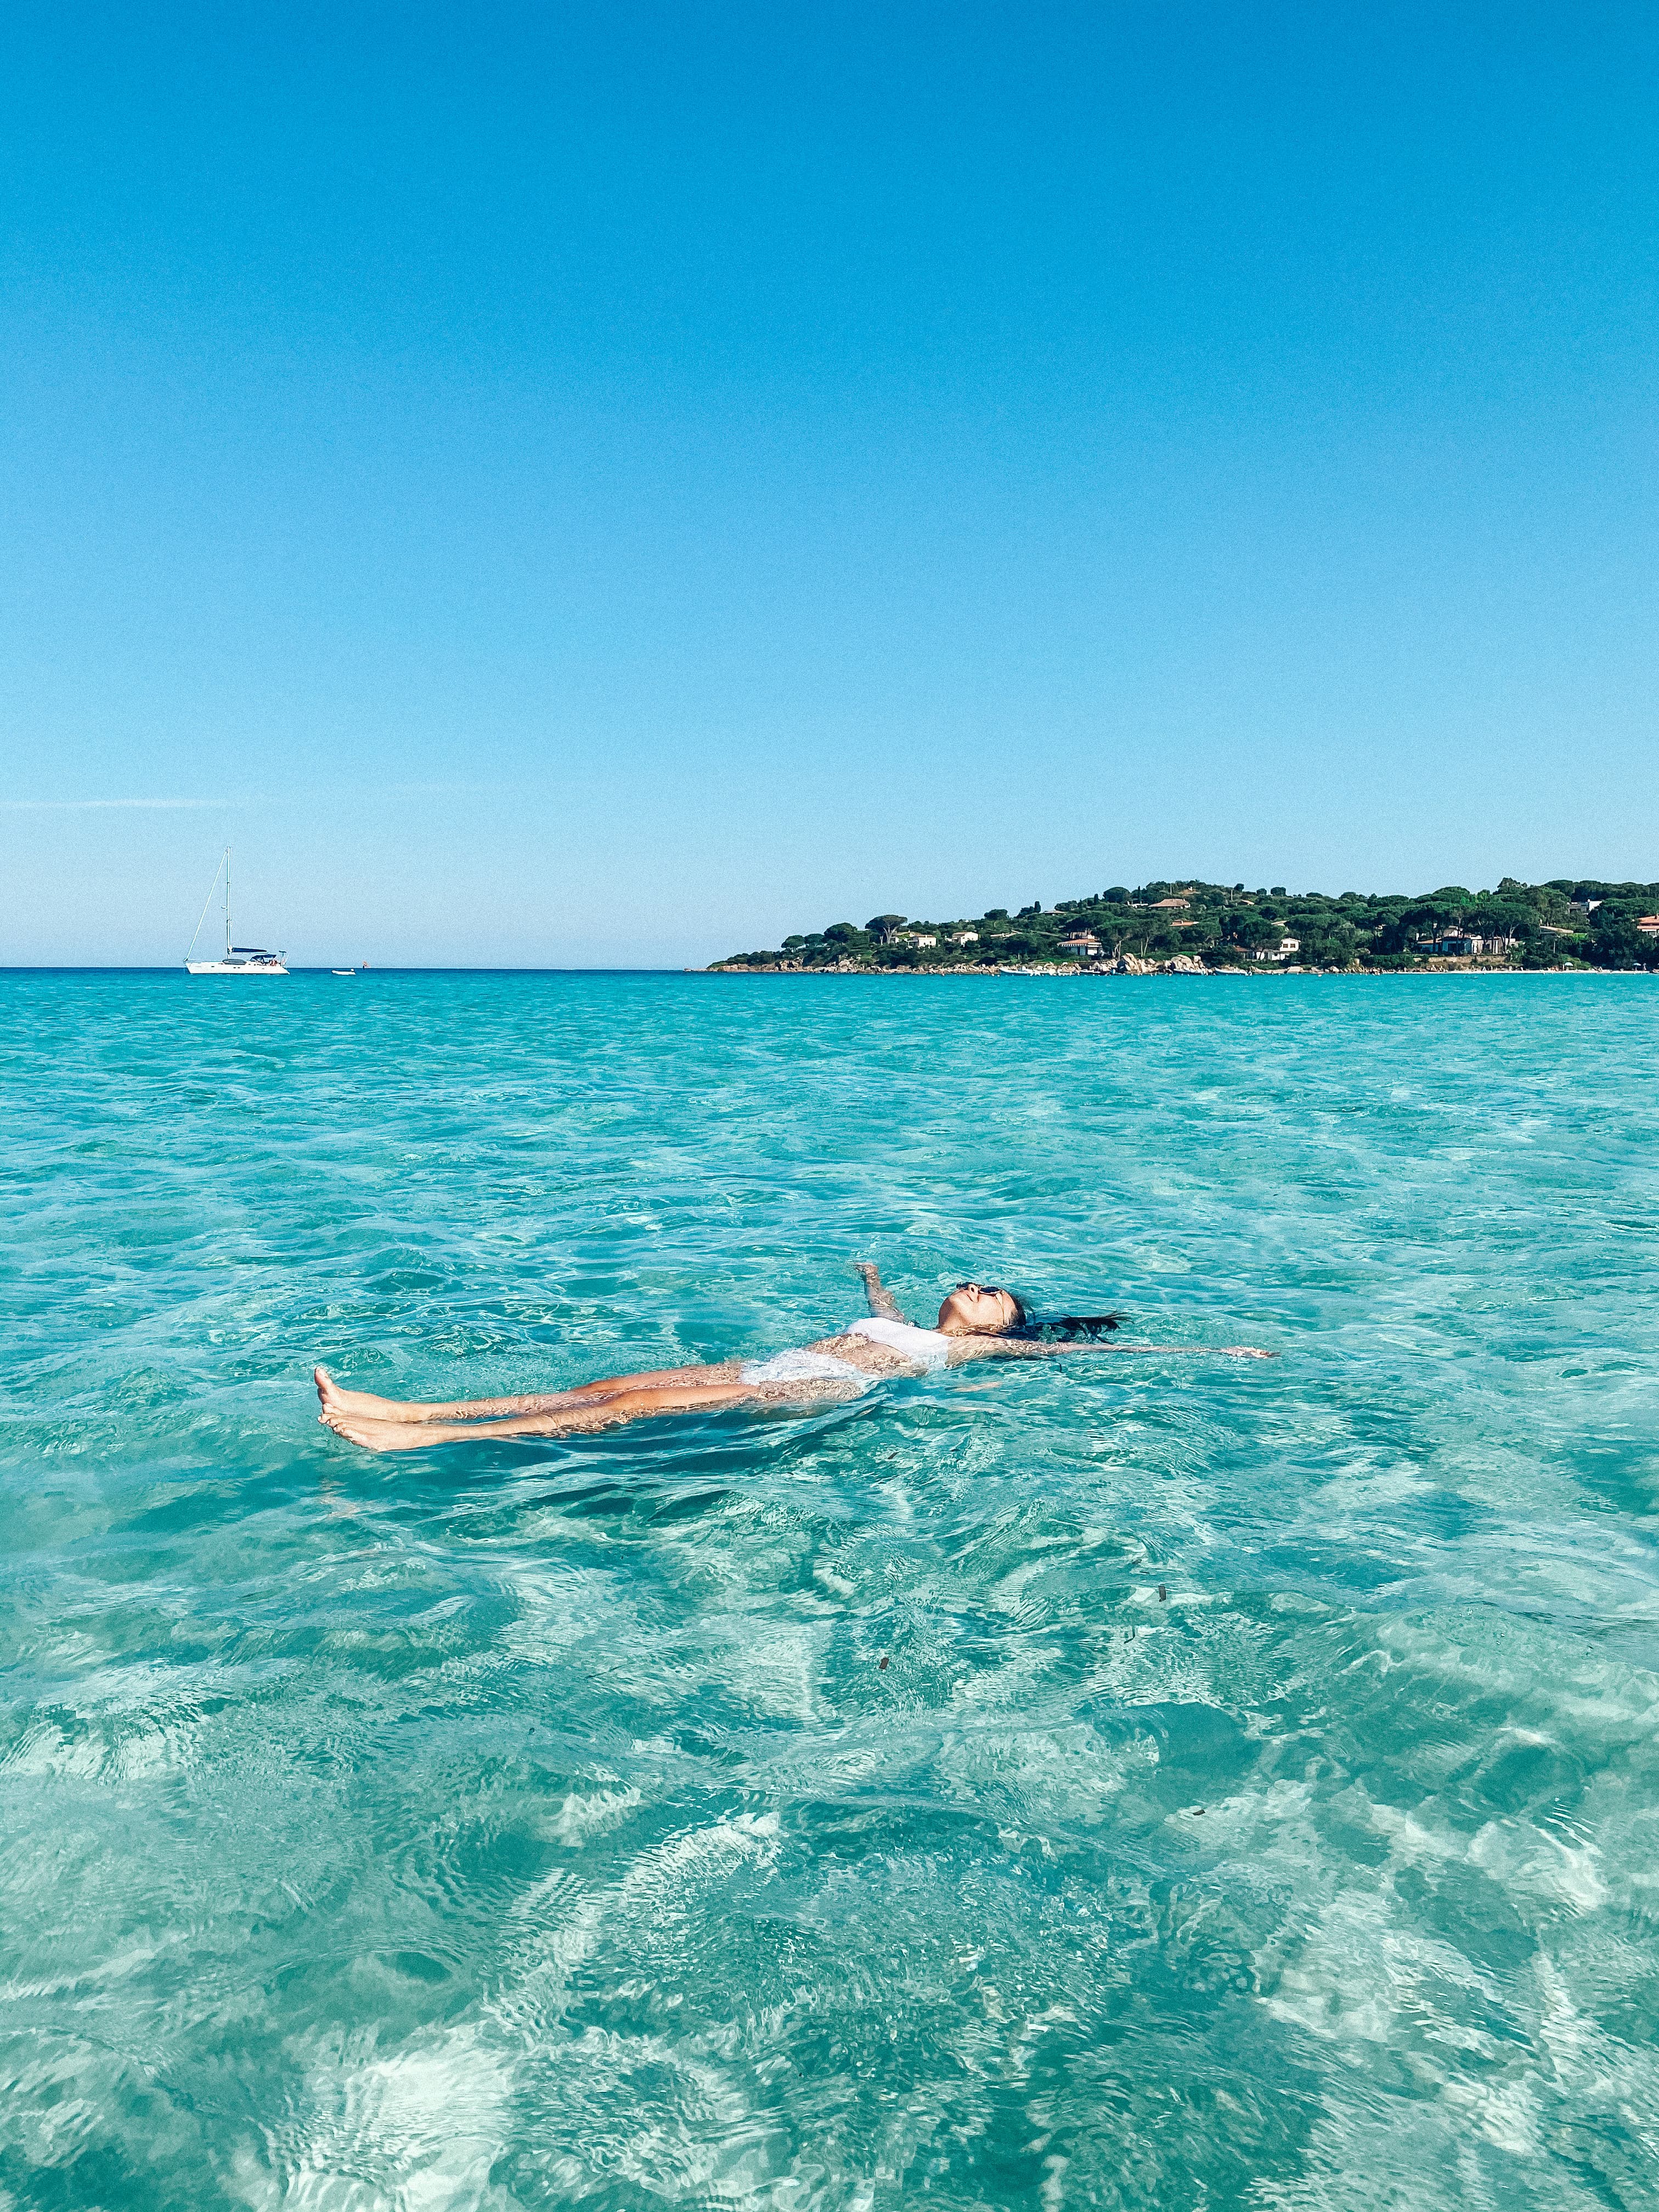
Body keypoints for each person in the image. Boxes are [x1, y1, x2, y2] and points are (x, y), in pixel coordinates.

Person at [314, 1261, 1268, 1451]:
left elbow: (1092, 1359)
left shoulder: (975, 1356)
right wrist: (871, 1284)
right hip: (781, 1360)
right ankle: (404, 1408)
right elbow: (886, 1314)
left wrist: (1212, 1348)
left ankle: (413, 1442)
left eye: (991, 1295)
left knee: (628, 1412)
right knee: (606, 1385)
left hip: (822, 1386)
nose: (975, 1285)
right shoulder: (913, 1322)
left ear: (995, 1330)